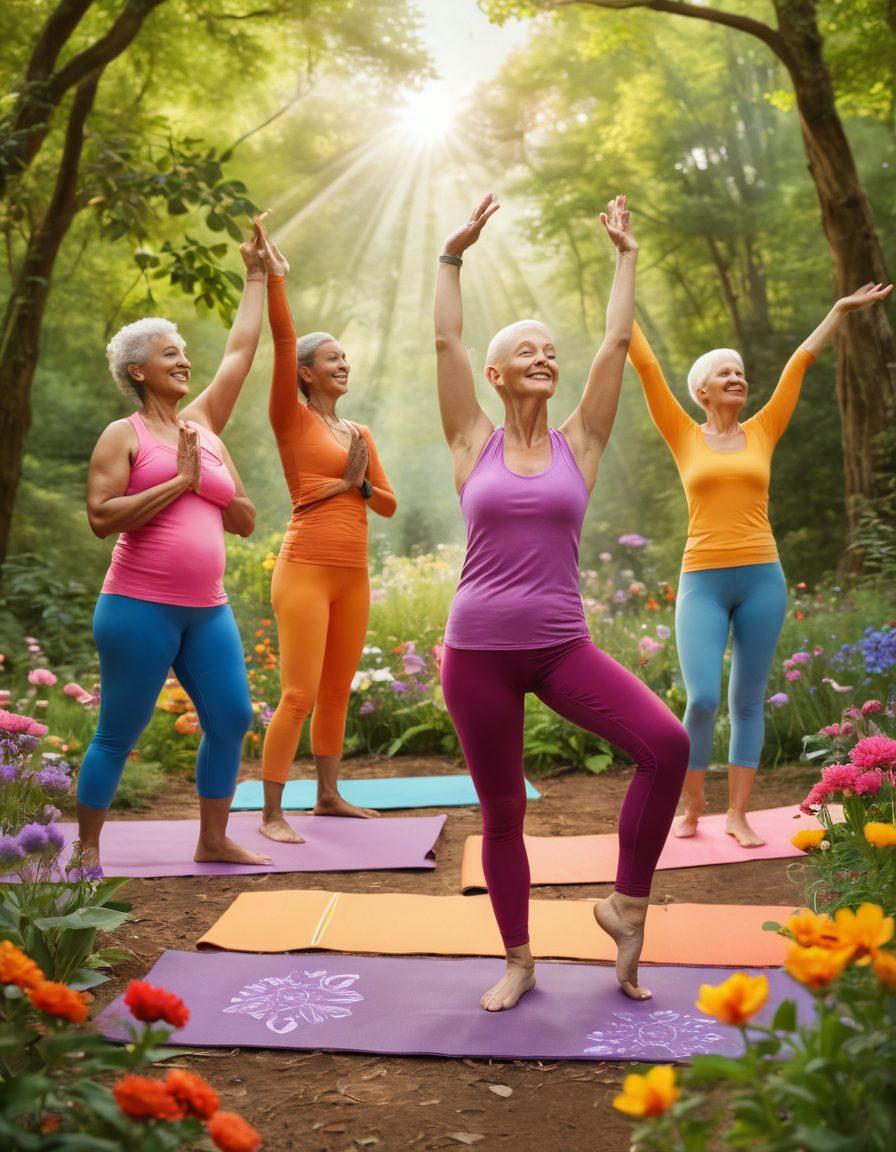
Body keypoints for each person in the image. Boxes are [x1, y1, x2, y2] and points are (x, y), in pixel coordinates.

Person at [434, 194, 689, 1011]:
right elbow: (445, 338)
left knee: (668, 744)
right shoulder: (472, 439)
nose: (545, 357)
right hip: (475, 655)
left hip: (558, 646)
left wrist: (625, 256)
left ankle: (626, 904)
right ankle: (519, 958)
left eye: (551, 350)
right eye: (526, 351)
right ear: (496, 374)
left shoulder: (583, 442)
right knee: (503, 812)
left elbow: (617, 341)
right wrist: (452, 256)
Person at [628, 281, 892, 847]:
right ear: (701, 390)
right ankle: (694, 800)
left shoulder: (763, 430)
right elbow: (644, 362)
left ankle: (738, 814)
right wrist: (625, 264)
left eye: (741, 370)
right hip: (701, 580)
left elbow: (801, 361)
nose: (737, 376)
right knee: (700, 697)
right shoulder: (682, 434)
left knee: (747, 699)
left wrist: (838, 310)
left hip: (761, 580)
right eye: (725, 371)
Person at [76, 222, 270, 872]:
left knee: (233, 717)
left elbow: (241, 353)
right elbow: (102, 517)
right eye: (169, 353)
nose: (184, 360)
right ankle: (85, 853)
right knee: (118, 734)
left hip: (206, 608)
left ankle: (212, 840)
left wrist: (256, 276)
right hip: (138, 607)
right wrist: (183, 482)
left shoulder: (204, 424)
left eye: (185, 351)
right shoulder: (122, 434)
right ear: (138, 370)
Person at [256, 232, 396, 844]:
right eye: (331, 358)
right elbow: (284, 339)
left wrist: (357, 485)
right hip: (306, 566)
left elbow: (388, 505)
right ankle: (270, 815)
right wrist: (276, 279)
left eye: (346, 357)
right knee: (298, 693)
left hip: (353, 572)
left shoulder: (358, 430)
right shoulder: (292, 419)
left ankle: (330, 797)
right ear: (306, 373)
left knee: (337, 689)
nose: (343, 363)